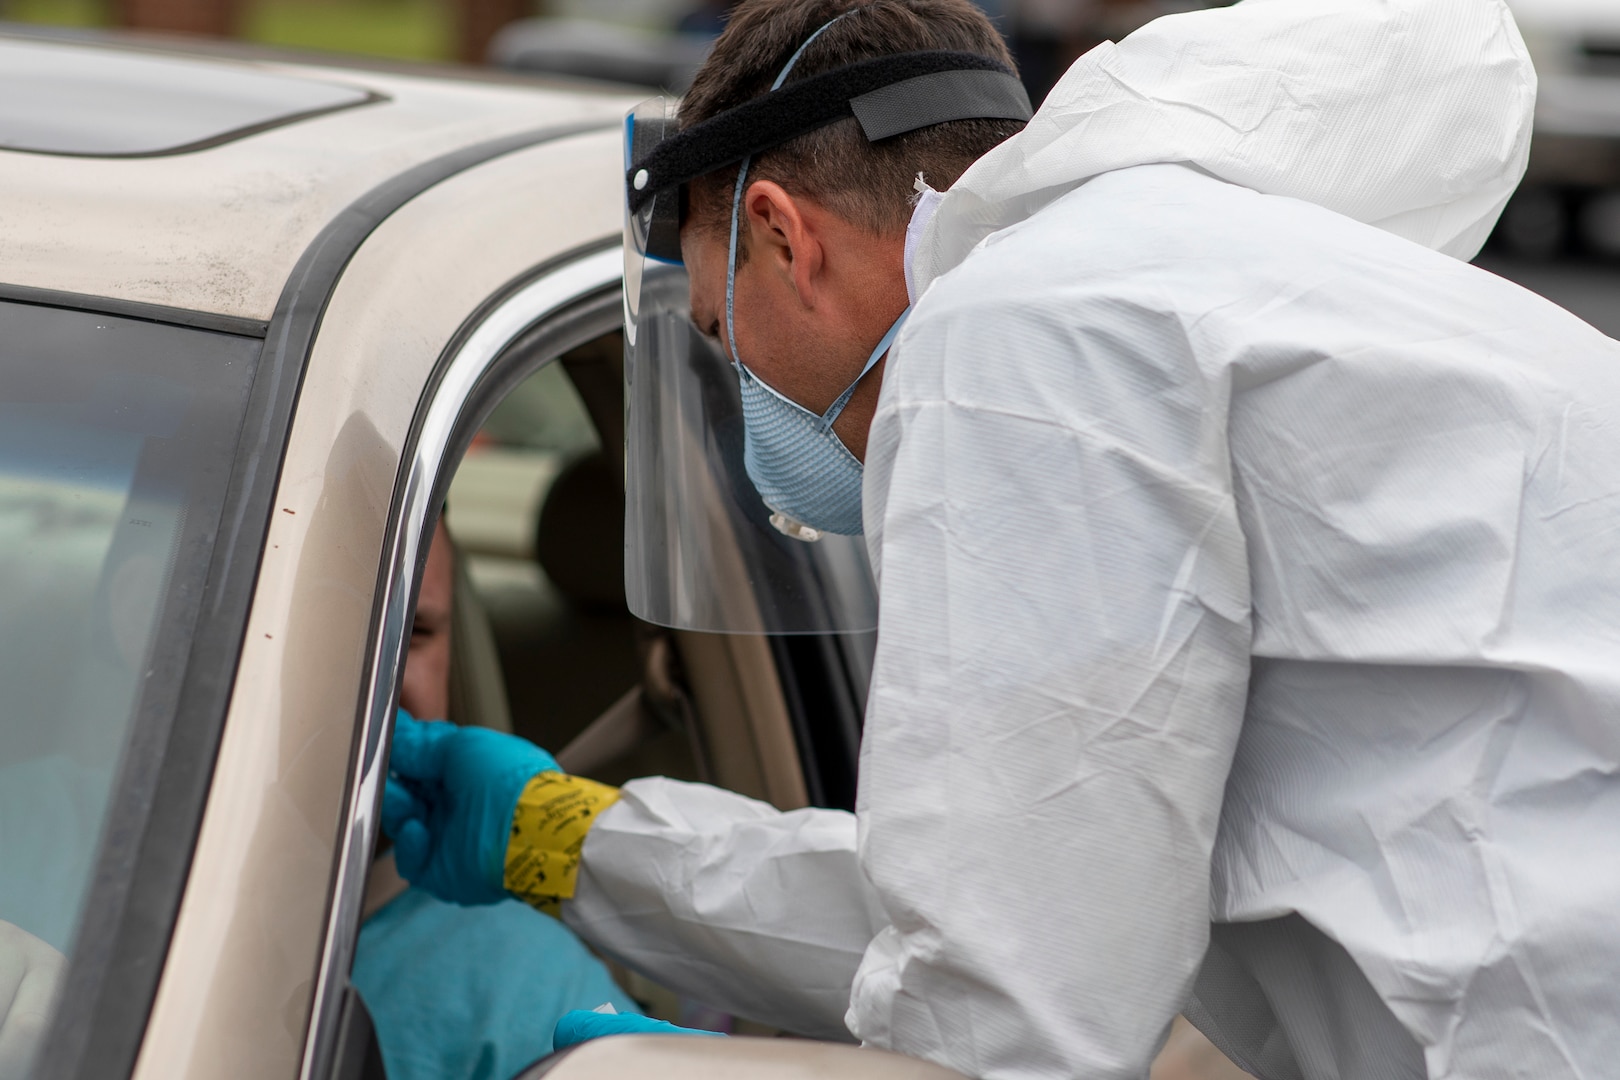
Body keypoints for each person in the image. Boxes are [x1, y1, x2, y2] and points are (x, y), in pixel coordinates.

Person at [384, 1, 1620, 1078]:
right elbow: (1023, 902)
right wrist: (575, 843)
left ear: (781, 234)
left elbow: (1000, 1026)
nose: (738, 382)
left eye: (718, 333)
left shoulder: (1014, 341)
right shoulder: (1162, 276)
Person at [353, 520, 637, 1080]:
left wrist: (556, 836)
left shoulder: (518, 974)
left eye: (414, 632)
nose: (376, 674)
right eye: (330, 624)